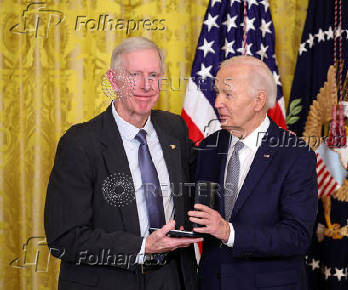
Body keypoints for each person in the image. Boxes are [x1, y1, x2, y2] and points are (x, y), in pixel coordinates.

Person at [44, 37, 202, 290]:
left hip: (173, 278)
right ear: (113, 80)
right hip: (109, 280)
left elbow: (209, 166)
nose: (145, 85)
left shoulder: (174, 128)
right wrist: (144, 247)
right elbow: (65, 238)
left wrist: (270, 142)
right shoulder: (81, 143)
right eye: (134, 75)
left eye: (153, 75)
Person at [188, 55, 318, 290]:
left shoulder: (294, 155)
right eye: (217, 92)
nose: (217, 102)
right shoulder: (207, 149)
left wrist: (229, 232)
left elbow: (296, 236)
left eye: (228, 94)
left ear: (258, 101)